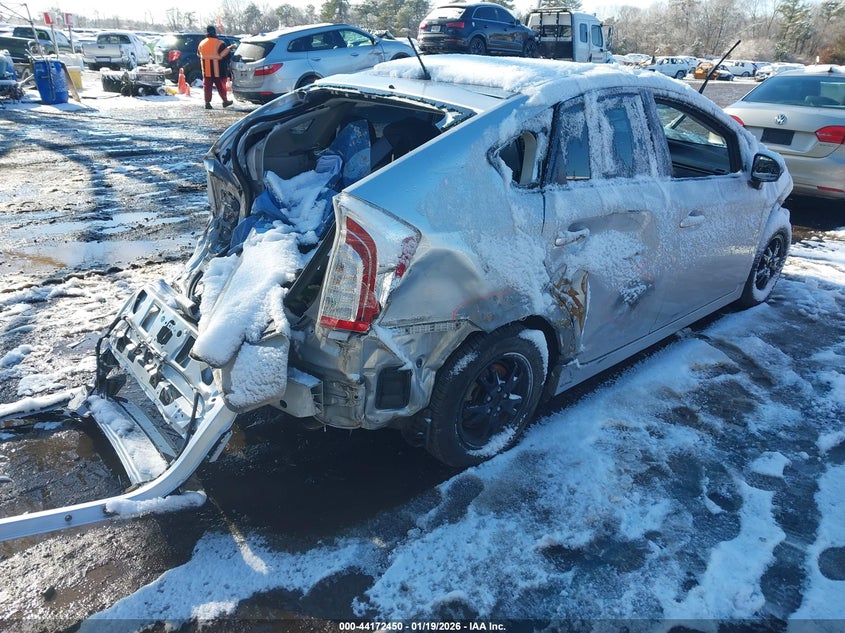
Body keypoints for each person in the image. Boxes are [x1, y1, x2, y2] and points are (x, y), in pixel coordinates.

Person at [197, 25, 234, 109]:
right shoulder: (220, 43)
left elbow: (199, 54)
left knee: (207, 87)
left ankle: (207, 103)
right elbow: (225, 55)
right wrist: (229, 49)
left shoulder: (201, 43)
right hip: (218, 69)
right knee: (221, 86)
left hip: (206, 70)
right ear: (215, 32)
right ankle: (225, 101)